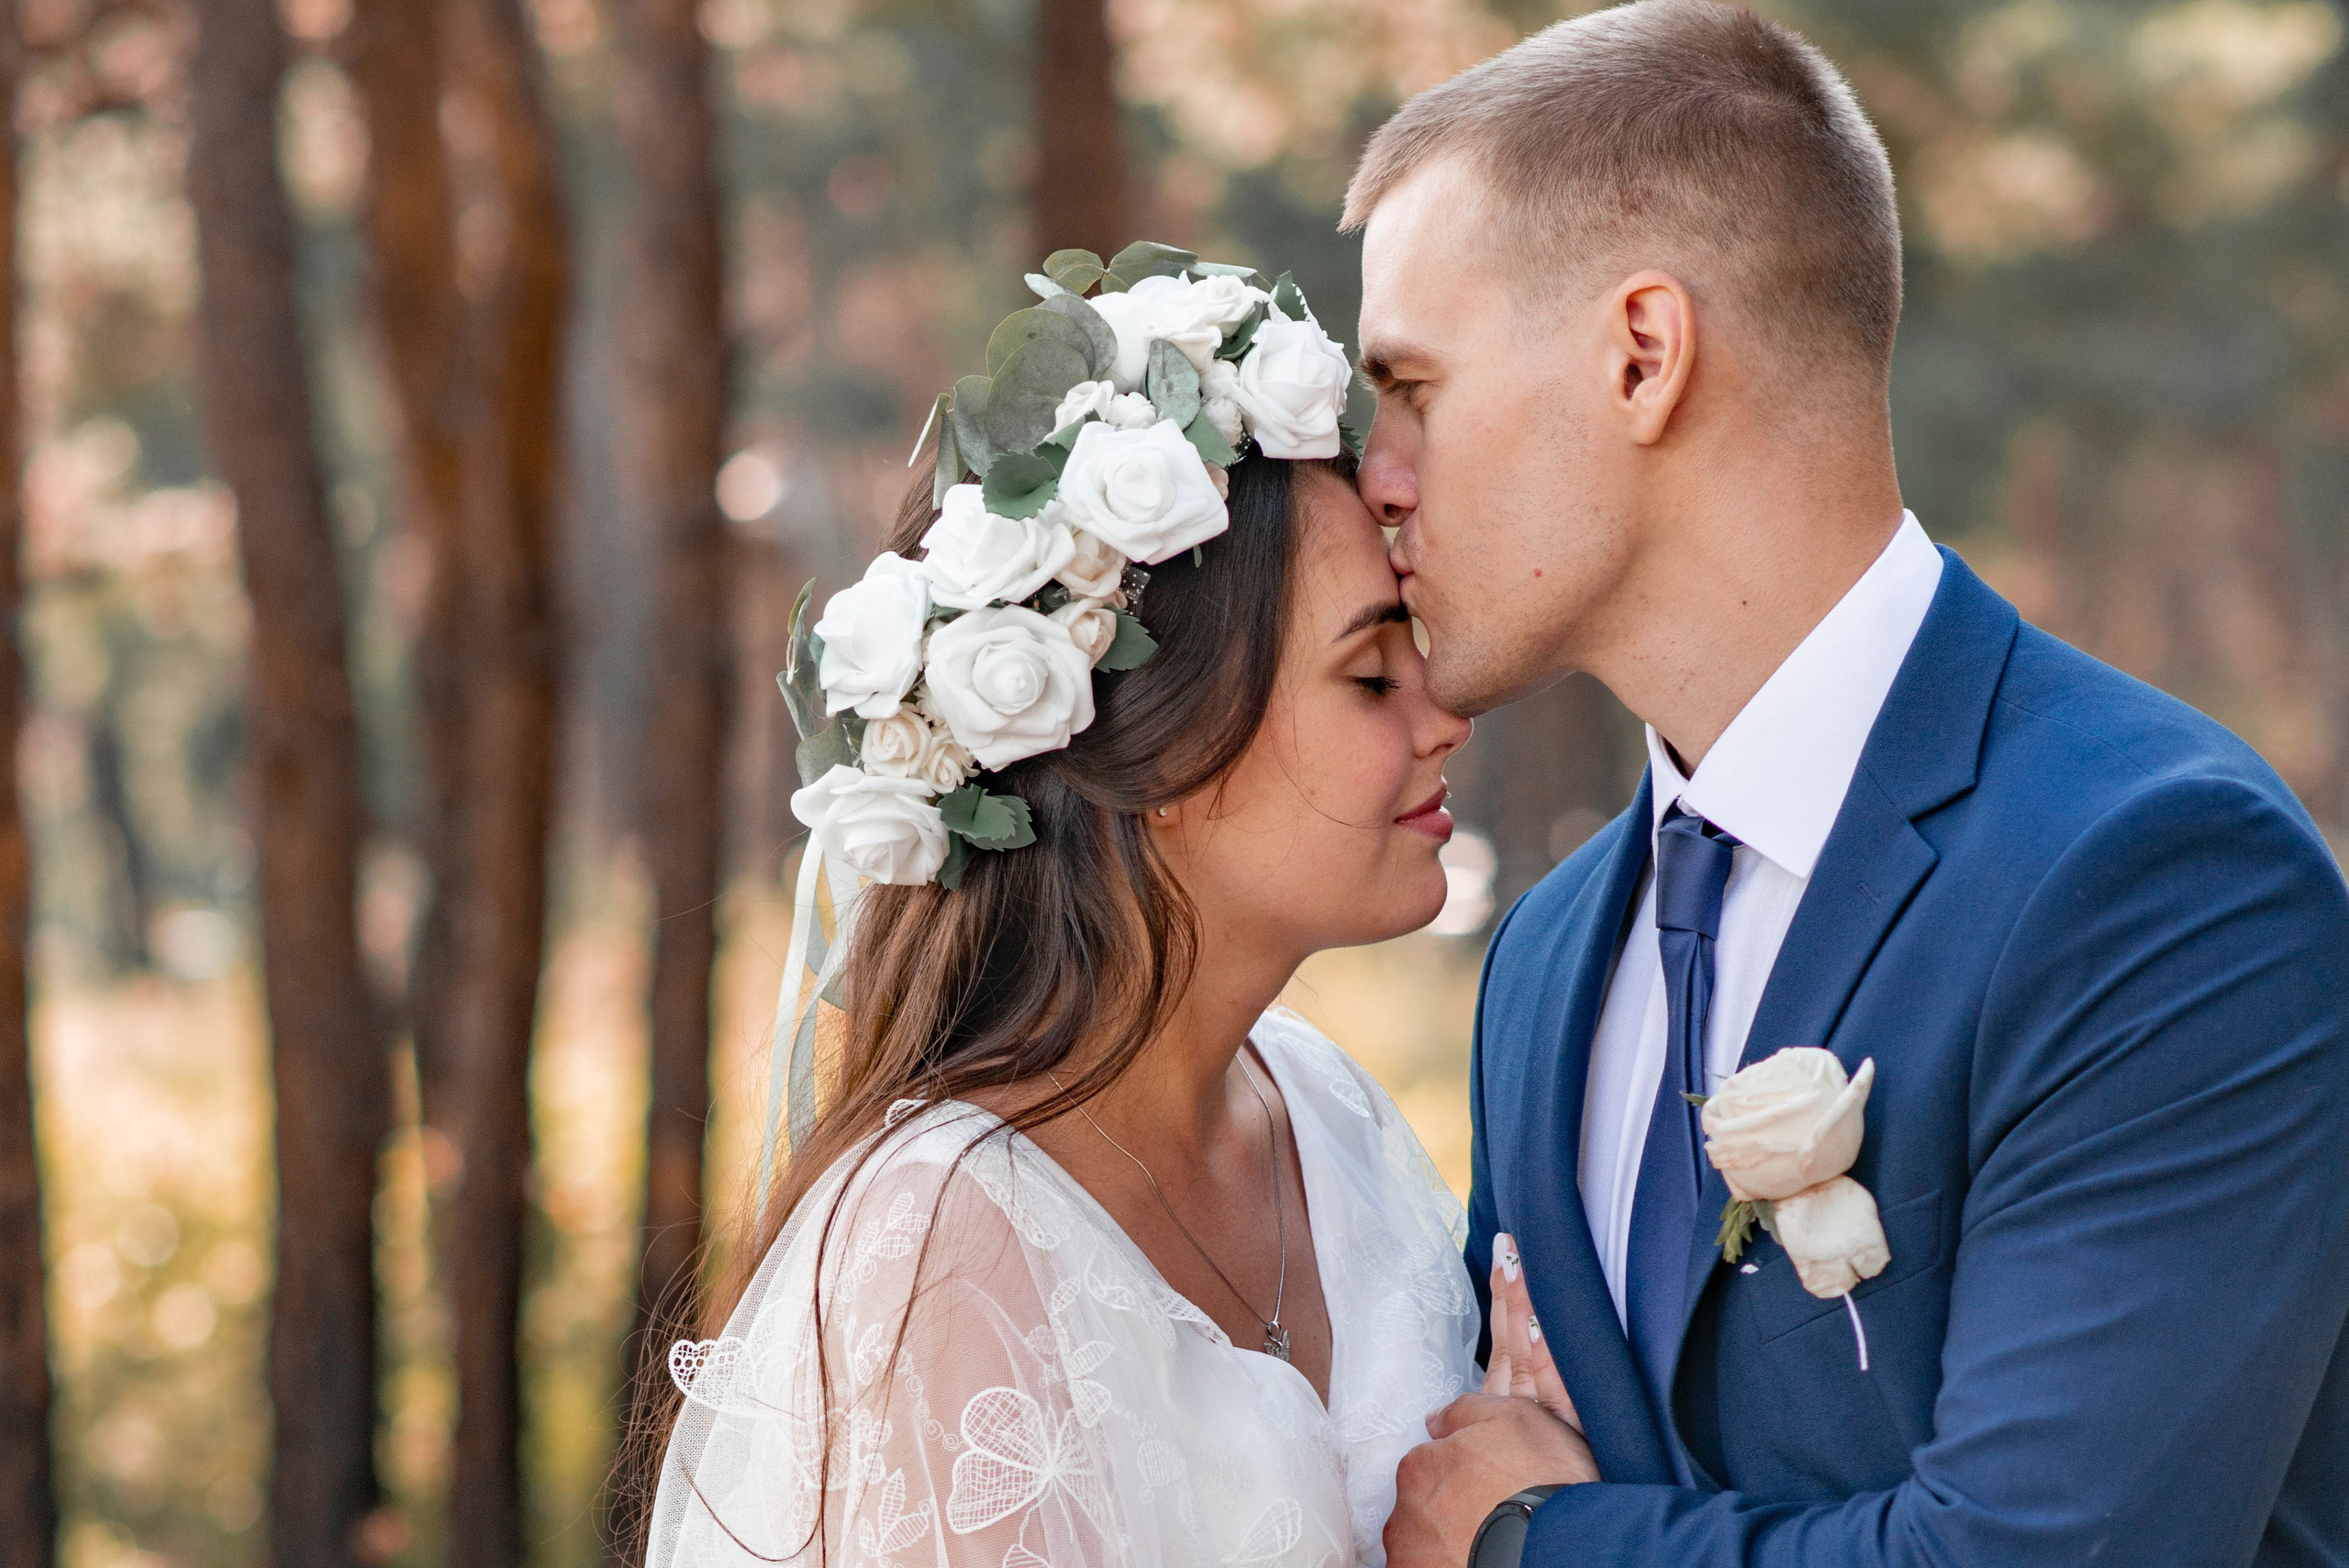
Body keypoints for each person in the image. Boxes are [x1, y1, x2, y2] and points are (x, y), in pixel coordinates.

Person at [1350, 3, 2349, 1565]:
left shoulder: (2162, 877)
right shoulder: (1543, 962)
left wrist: (1534, 1540)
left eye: (1411, 386)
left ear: (1641, 354)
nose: (1376, 476)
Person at [643, 254, 1482, 1568]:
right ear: (1160, 756)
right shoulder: (946, 1245)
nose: (1444, 719)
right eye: (1370, 674)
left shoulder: (1331, 1113)